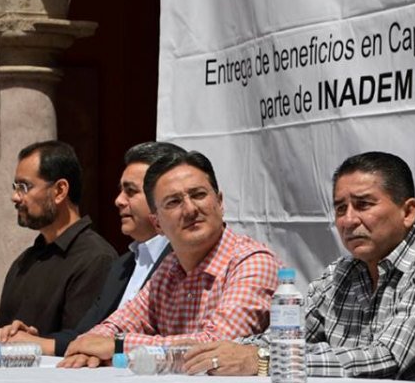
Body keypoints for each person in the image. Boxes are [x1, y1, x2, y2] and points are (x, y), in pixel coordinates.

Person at [184, 151, 415, 381]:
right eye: (340, 208)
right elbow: (282, 337)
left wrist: (262, 360)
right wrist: (224, 351)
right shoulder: (340, 273)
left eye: (363, 205)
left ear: (408, 212)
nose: (348, 220)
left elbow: (385, 358)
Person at [59, 150, 280, 368]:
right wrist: (90, 347)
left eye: (198, 195)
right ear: (157, 224)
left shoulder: (252, 262)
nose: (190, 209)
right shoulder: (169, 268)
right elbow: (116, 324)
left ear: (220, 202)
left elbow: (215, 347)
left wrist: (118, 345)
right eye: (174, 202)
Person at [0, 141, 184, 356]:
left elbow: (189, 341)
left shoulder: (183, 261)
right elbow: (89, 334)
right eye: (121, 190)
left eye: (131, 191)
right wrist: (31, 340)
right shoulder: (123, 266)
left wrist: (41, 344)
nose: (118, 200)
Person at [0, 140, 117, 344]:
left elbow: (84, 342)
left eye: (24, 187)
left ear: (59, 191)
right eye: (15, 187)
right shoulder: (25, 261)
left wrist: (35, 343)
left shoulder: (96, 258)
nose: (15, 197)